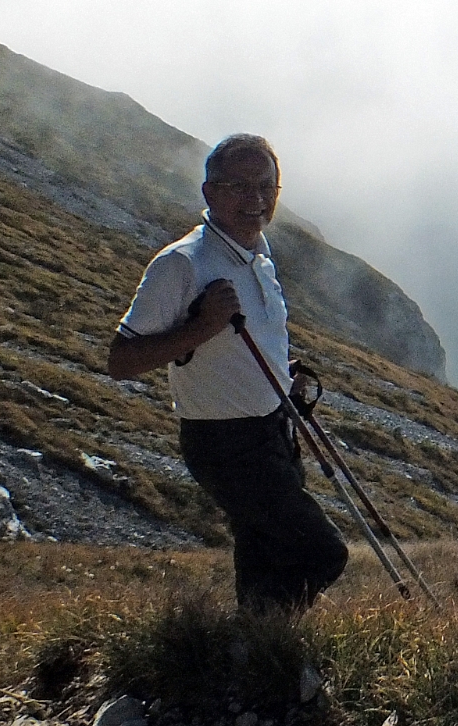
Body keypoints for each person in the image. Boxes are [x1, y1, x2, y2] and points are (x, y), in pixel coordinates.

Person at [108, 133, 348, 611]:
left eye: (266, 188)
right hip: (224, 442)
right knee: (320, 552)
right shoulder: (181, 264)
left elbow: (245, 339)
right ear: (209, 192)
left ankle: (258, 658)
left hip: (273, 430)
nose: (255, 200)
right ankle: (262, 647)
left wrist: (284, 376)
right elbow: (122, 361)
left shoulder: (256, 252)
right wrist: (202, 328)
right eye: (239, 187)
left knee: (264, 554)